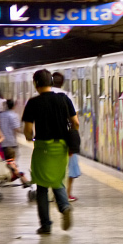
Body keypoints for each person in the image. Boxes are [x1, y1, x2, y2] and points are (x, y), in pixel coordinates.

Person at [22, 69, 79, 235]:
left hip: (42, 147)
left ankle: (46, 225)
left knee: (41, 185)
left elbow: (27, 130)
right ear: (52, 83)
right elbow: (75, 122)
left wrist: (29, 138)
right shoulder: (64, 99)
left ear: (36, 84)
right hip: (61, 147)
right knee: (57, 179)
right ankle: (64, 206)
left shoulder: (33, 103)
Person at [52, 72, 81, 202]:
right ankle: (67, 194)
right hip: (65, 137)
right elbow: (75, 121)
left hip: (48, 138)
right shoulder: (67, 96)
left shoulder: (41, 96)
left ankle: (52, 194)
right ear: (62, 82)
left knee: (51, 166)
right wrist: (74, 135)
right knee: (70, 167)